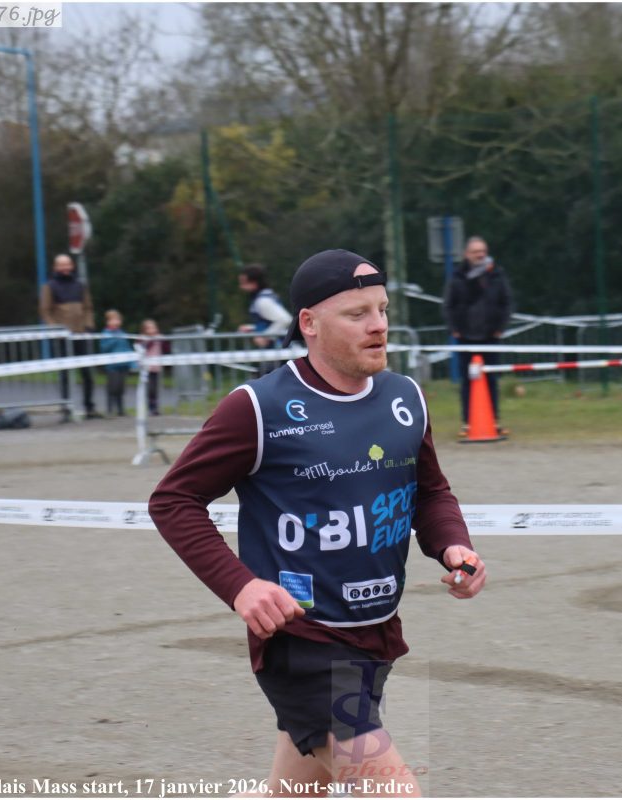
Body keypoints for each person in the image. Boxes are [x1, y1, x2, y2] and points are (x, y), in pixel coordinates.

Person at [150, 249, 486, 797]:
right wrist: (241, 587)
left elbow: (429, 492)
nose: (378, 325)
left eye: (382, 309)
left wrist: (454, 545)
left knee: (297, 792)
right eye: (357, 314)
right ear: (309, 323)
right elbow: (173, 500)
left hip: (374, 628)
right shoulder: (257, 408)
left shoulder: (405, 397)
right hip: (301, 637)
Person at [443, 236, 514, 438]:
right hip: (465, 337)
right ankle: (467, 422)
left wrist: (500, 327)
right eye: (475, 252)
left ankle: (494, 420)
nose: (480, 255)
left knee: (491, 380)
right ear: (467, 254)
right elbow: (448, 305)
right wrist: (454, 329)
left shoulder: (497, 274)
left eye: (482, 251)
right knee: (467, 381)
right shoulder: (458, 276)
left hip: (491, 336)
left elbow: (507, 302)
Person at [40, 253, 100, 419]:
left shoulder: (80, 285)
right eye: (62, 265)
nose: (65, 268)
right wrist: (55, 328)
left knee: (87, 373)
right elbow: (45, 311)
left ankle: (89, 407)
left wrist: (89, 325)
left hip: (81, 335)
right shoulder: (49, 286)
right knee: (65, 375)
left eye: (67, 264)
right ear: (56, 267)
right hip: (62, 337)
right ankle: (66, 408)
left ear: (72, 266)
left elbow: (88, 307)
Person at [238, 263, 293, 376]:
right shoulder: (264, 297)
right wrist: (252, 328)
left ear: (254, 283)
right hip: (277, 351)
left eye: (244, 283)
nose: (241, 287)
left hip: (277, 351)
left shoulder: (262, 301)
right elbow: (271, 321)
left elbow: (285, 320)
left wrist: (265, 336)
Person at [99, 309, 134, 417]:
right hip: (112, 366)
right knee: (112, 388)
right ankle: (109, 410)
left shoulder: (122, 333)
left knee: (121, 388)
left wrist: (132, 362)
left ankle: (121, 410)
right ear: (108, 321)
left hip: (123, 365)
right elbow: (104, 348)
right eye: (113, 320)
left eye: (118, 320)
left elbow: (127, 348)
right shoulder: (105, 333)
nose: (116, 322)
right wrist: (114, 339)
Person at [139, 319, 168, 416]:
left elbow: (166, 349)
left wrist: (163, 341)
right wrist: (151, 340)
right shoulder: (143, 339)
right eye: (149, 328)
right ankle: (150, 407)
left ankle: (155, 408)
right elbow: (143, 348)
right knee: (150, 389)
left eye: (153, 328)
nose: (152, 330)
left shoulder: (159, 339)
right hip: (147, 368)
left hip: (156, 367)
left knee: (155, 389)